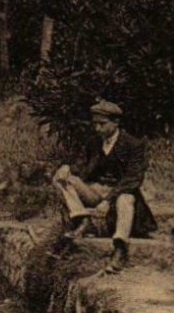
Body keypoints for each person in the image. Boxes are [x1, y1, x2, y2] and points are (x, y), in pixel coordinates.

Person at [52, 99, 156, 272]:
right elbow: (83, 167)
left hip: (121, 194)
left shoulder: (133, 145)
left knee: (126, 198)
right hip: (96, 192)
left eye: (102, 124)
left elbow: (132, 179)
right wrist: (67, 168)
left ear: (116, 123)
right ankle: (81, 218)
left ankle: (120, 248)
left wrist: (108, 200)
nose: (98, 128)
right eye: (95, 124)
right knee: (61, 178)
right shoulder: (95, 142)